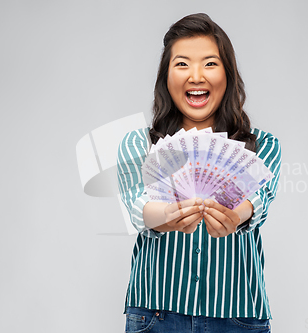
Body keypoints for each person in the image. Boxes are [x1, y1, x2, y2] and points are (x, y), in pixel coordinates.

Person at [117, 13, 281, 333]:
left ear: (228, 75)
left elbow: (257, 200)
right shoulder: (138, 144)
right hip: (156, 314)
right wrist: (166, 214)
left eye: (209, 63)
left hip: (237, 318)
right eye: (182, 64)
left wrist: (236, 216)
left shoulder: (262, 147)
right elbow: (138, 208)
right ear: (166, 76)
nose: (196, 76)